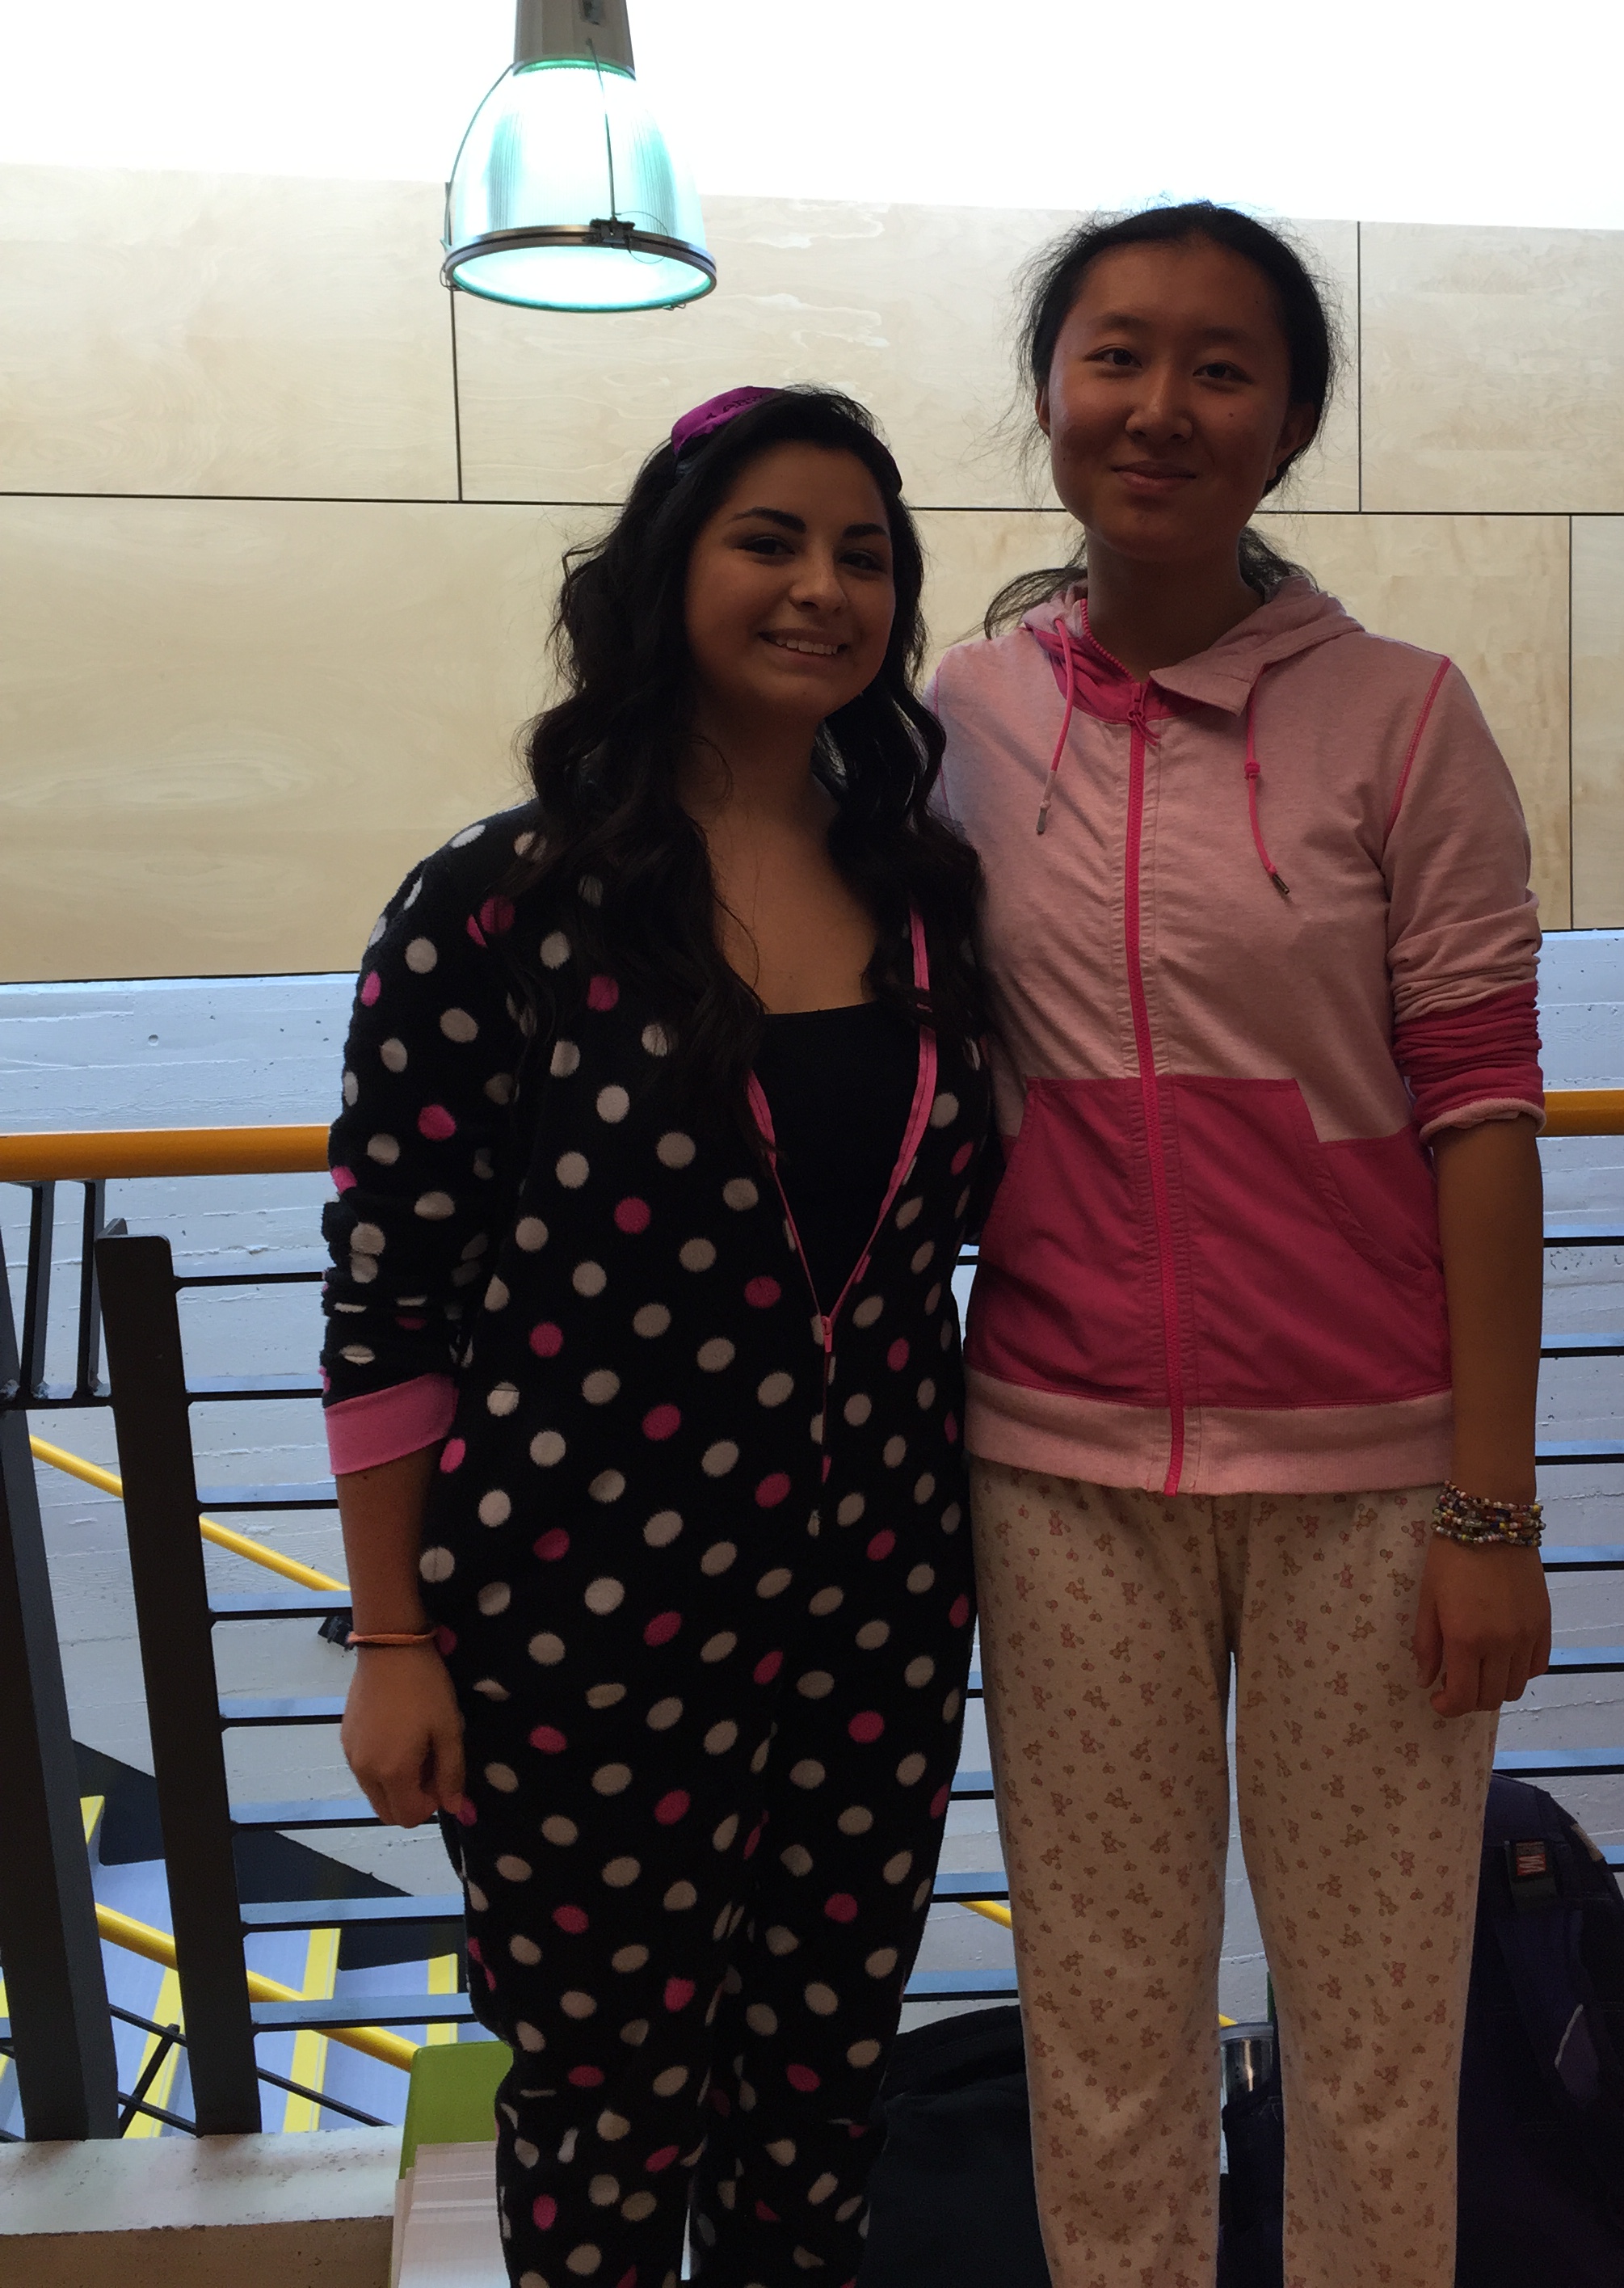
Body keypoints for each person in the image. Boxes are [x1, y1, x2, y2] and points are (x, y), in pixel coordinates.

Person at [928, 204, 1550, 2288]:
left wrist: (1489, 1506)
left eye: (1221, 367)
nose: (1161, 406)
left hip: (1373, 1481)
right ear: (1050, 393)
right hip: (1059, 1468)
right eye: (1117, 354)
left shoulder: (1403, 718)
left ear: (1287, 426)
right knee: (1104, 2038)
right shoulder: (960, 719)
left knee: (1375, 2044)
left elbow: (1483, 1122)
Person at [322, 385, 995, 2288]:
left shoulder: (925, 894)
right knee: (604, 2113)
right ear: (666, 570)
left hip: (879, 1602)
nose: (822, 589)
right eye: (768, 541)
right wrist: (393, 1640)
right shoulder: (498, 907)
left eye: (866, 556)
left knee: (821, 2097)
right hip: (576, 1618)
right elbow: (388, 1300)